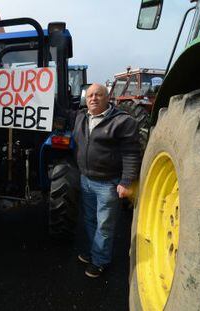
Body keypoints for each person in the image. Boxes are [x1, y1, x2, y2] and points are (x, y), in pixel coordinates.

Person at [73, 83, 140, 278]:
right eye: (90, 95)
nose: (93, 98)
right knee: (90, 220)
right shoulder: (81, 117)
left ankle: (100, 261)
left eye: (98, 95)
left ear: (107, 97)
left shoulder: (122, 121)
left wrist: (126, 181)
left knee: (104, 226)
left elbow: (131, 153)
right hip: (86, 179)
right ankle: (93, 252)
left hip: (108, 184)